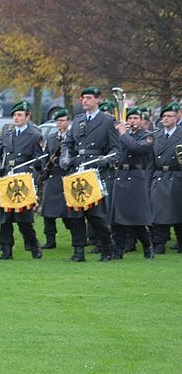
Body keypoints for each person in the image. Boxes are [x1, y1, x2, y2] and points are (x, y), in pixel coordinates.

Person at [60, 86, 122, 261]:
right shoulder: (78, 120)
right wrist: (65, 155)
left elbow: (117, 150)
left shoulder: (108, 121)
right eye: (83, 98)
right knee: (75, 215)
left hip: (96, 172)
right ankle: (78, 251)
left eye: (88, 97)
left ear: (98, 100)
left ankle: (108, 247)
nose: (85, 101)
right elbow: (68, 143)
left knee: (95, 215)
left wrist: (106, 160)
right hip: (77, 170)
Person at [0, 100, 44, 260]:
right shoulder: (7, 133)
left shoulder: (35, 135)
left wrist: (31, 175)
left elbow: (39, 160)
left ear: (28, 117)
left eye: (20, 115)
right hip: (6, 179)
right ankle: (6, 250)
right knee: (4, 217)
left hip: (22, 181)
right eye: (14, 115)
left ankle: (34, 245)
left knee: (23, 219)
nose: (16, 118)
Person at [111, 108, 154, 259]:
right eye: (130, 119)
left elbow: (135, 147)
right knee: (119, 219)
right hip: (121, 175)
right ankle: (118, 251)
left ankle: (148, 246)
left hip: (136, 177)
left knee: (137, 218)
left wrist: (123, 133)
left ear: (142, 121)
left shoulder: (148, 136)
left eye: (136, 118)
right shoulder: (123, 135)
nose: (132, 121)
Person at [39, 109, 77, 250]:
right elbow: (46, 154)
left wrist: (68, 161)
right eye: (58, 121)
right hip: (53, 176)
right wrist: (46, 165)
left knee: (70, 212)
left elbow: (77, 155)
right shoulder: (52, 137)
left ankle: (76, 239)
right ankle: (50, 240)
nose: (60, 123)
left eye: (62, 120)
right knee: (48, 212)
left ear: (68, 121)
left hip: (68, 176)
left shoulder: (73, 137)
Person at [149, 102, 182, 254]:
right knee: (159, 213)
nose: (166, 119)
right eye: (164, 116)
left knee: (178, 212)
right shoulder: (156, 135)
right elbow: (150, 161)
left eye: (170, 116)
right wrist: (149, 181)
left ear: (177, 117)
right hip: (160, 176)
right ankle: (159, 244)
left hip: (177, 176)